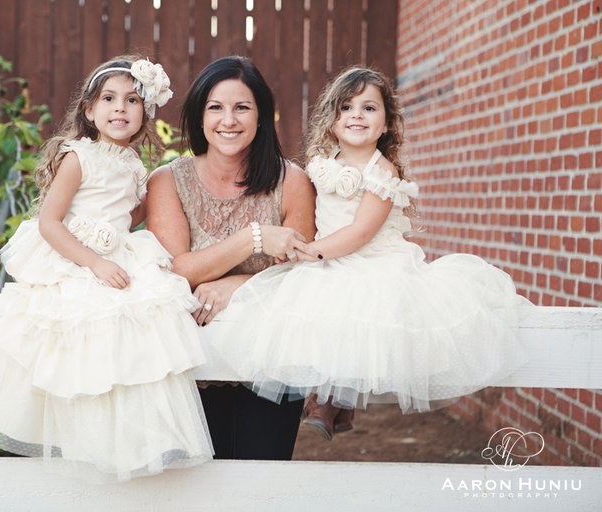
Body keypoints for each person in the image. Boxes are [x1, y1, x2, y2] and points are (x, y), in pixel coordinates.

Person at [212, 67, 529, 441]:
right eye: (346, 107)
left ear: (386, 125)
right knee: (310, 310)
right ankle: (338, 406)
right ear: (332, 122)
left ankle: (330, 402)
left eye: (369, 108)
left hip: (372, 259)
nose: (357, 115)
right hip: (331, 255)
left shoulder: (382, 171)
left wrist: (309, 252)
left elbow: (360, 232)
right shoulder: (323, 165)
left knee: (353, 310)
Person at [0, 56, 213, 482]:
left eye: (131, 100)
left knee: (139, 327)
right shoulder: (79, 157)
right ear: (89, 110)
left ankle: (128, 439)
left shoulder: (135, 166)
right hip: (77, 257)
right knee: (86, 333)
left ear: (145, 112)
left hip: (118, 254)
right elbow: (50, 223)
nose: (119, 108)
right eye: (108, 99)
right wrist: (93, 262)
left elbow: (133, 214)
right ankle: (81, 447)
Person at [147, 56, 319, 460]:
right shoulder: (169, 181)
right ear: (198, 116)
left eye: (242, 107)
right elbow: (177, 270)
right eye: (216, 107)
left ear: (261, 116)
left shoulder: (291, 181)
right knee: (198, 487)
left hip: (273, 363)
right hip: (192, 362)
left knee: (263, 479)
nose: (229, 119)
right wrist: (253, 239)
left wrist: (238, 285)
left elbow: (306, 273)